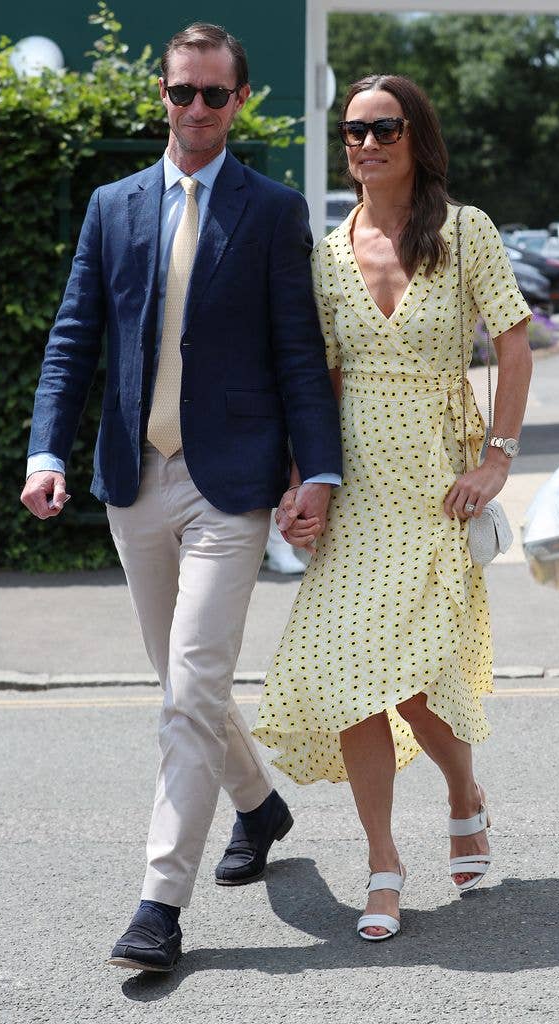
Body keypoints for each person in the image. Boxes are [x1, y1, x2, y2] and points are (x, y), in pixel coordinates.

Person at [20, 22, 342, 972]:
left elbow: (295, 353)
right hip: (133, 480)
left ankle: (160, 902)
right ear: (159, 96)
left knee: (190, 688)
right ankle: (261, 803)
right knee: (184, 687)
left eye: (212, 94)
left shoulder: (273, 210)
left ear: (239, 101)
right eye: (178, 93)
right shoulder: (112, 205)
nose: (193, 109)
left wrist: (313, 471)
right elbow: (74, 338)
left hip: (228, 489)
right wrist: (47, 448)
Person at [253, 75, 532, 942]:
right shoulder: (329, 251)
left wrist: (498, 460)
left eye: (384, 128)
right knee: (350, 677)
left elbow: (515, 344)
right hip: (358, 485)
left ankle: (462, 791)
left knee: (412, 686)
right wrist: (306, 480)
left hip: (437, 481)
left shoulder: (464, 230)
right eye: (353, 131)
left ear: (417, 137)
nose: (366, 143)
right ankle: (382, 863)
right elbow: (319, 379)